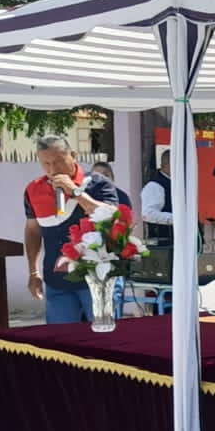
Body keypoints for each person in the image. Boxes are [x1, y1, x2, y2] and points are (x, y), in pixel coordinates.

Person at [22, 135, 122, 324]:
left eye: (59, 162)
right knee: (61, 339)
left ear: (73, 155)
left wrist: (75, 192)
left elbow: (112, 216)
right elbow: (33, 231)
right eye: (46, 164)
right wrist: (33, 272)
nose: (53, 169)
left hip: (97, 278)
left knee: (103, 336)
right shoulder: (33, 190)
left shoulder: (98, 183)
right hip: (57, 282)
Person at [140, 150, 174, 247]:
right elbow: (148, 214)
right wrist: (175, 218)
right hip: (163, 241)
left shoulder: (174, 183)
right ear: (167, 165)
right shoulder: (155, 185)